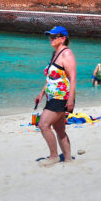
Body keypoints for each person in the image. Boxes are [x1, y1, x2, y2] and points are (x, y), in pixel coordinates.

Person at [34, 26, 77, 167]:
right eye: (50, 36)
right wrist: (41, 93)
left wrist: (70, 100)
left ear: (63, 38)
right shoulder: (55, 54)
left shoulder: (67, 54)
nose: (51, 39)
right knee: (59, 129)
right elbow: (52, 78)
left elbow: (73, 78)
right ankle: (68, 159)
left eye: (54, 36)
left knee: (43, 124)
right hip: (52, 97)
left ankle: (54, 156)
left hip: (61, 97)